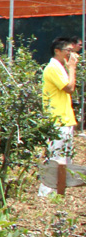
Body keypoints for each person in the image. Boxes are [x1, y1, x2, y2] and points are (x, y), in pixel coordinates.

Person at [38, 37, 78, 197]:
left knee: (64, 159)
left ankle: (58, 193)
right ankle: (46, 192)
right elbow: (69, 87)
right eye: (68, 50)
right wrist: (72, 68)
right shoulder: (53, 68)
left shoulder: (60, 67)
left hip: (65, 119)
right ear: (57, 51)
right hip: (56, 119)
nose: (71, 54)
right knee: (55, 157)